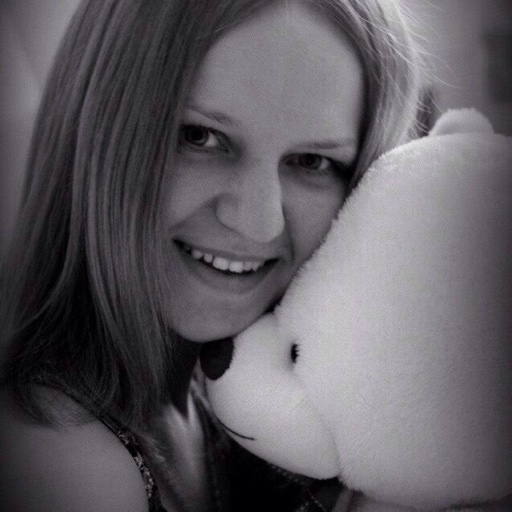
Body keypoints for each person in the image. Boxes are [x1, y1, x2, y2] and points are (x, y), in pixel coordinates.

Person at [0, 0, 421, 511]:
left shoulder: (255, 416)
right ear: (97, 133)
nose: (257, 221)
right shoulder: (60, 467)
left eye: (312, 161)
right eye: (200, 137)